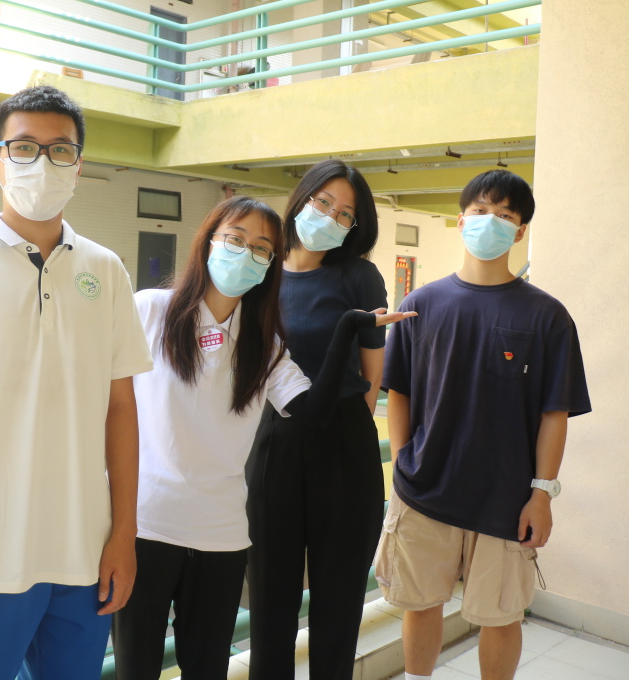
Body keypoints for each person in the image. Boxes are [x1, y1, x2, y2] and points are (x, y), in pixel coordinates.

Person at [0, 85, 153, 680]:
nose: (42, 161)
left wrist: (123, 535)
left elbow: (121, 410)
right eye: (23, 147)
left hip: (84, 557)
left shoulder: (105, 270)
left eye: (60, 149)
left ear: (78, 165)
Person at [112, 195, 415, 679]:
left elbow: (313, 412)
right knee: (135, 668)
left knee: (207, 669)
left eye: (261, 249)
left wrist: (346, 330)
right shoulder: (149, 310)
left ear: (271, 265)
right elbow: (100, 401)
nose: (246, 253)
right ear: (208, 242)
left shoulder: (264, 345)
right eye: (235, 239)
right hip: (146, 528)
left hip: (222, 537)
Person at [374, 169, 590, 680]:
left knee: (501, 616)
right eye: (480, 211)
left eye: (505, 214)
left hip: (506, 499)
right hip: (423, 492)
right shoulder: (420, 305)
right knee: (420, 604)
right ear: (460, 220)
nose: (490, 221)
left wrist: (542, 494)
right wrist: (402, 463)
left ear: (520, 231)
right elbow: (399, 392)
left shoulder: (547, 316)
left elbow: (554, 413)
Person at [245, 159, 388, 680]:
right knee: (270, 597)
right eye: (323, 202)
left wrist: (341, 432)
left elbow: (371, 375)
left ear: (355, 226)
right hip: (273, 438)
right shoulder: (262, 272)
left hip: (344, 441)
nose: (330, 216)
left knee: (339, 598)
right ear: (302, 199)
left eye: (345, 213)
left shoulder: (360, 277)